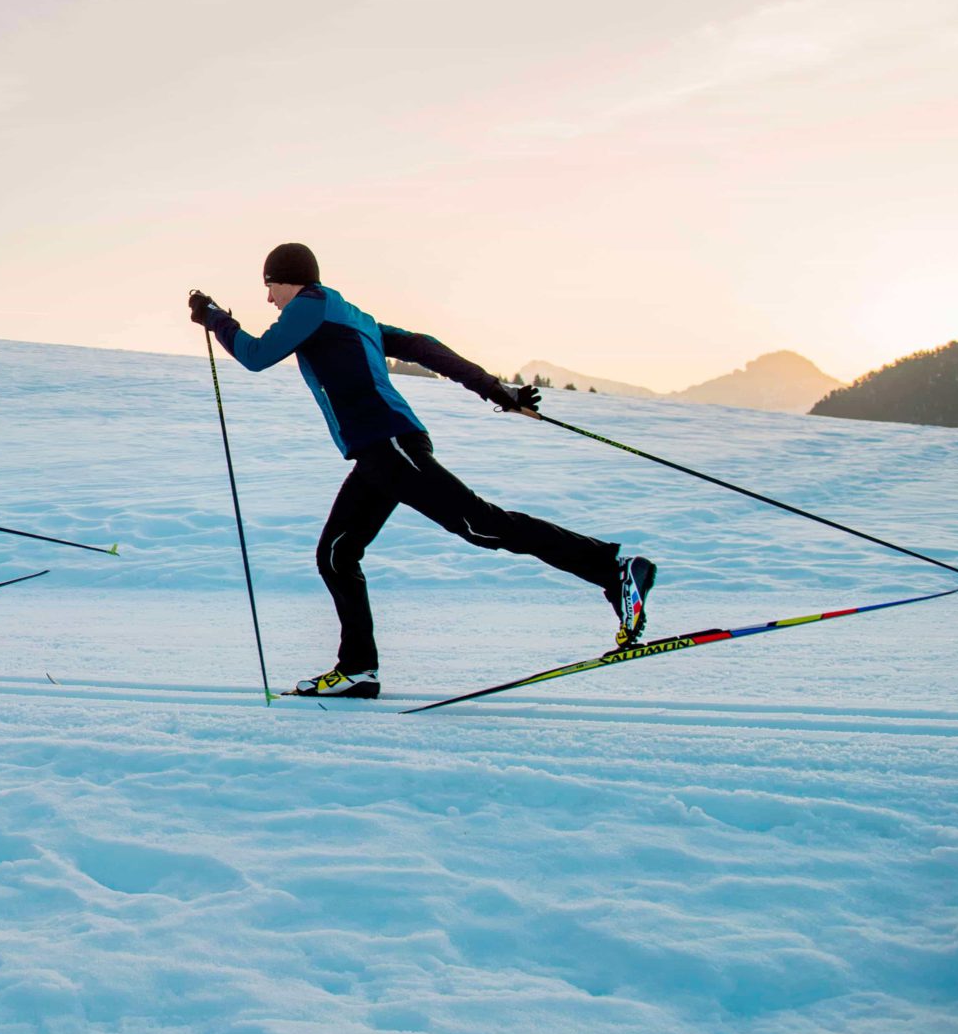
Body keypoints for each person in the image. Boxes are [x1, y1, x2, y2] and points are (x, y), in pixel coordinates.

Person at [189, 243, 655, 698]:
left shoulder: (310, 306)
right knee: (337, 554)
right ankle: (358, 670)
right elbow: (424, 348)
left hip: (389, 445)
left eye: (270, 288)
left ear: (286, 280)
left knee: (480, 524)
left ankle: (613, 570)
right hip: (379, 453)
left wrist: (213, 317)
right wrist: (496, 391)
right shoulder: (349, 315)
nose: (269, 300)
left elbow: (255, 355)